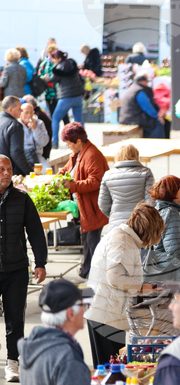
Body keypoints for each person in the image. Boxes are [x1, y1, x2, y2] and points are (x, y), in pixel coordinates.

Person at [86, 202, 164, 364]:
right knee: (111, 371)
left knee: (110, 369)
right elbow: (114, 278)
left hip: (106, 312)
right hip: (105, 316)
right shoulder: (122, 241)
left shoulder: (124, 238)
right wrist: (143, 288)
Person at [0, 154, 46, 381]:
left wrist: (40, 263)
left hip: (16, 269)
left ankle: (13, 362)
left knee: (15, 318)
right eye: (1, 169)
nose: (6, 173)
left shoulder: (22, 199)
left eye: (9, 169)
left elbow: (36, 232)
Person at [58, 122, 107, 278]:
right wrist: (54, 181)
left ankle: (101, 274)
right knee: (87, 240)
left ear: (78, 141)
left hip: (93, 207)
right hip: (85, 206)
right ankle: (86, 272)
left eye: (69, 143)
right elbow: (65, 170)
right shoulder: (78, 153)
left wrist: (72, 186)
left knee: (92, 241)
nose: (68, 147)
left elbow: (95, 181)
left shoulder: (92, 155)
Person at [144, 175, 180, 286]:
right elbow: (173, 250)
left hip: (165, 273)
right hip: (175, 277)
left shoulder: (159, 211)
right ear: (172, 192)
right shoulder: (170, 213)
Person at [98, 143, 153, 231]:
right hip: (140, 222)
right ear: (136, 155)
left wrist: (114, 214)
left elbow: (103, 204)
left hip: (116, 224)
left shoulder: (108, 175)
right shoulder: (145, 173)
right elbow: (150, 201)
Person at [43, 51, 85, 149]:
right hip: (78, 95)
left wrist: (46, 78)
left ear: (58, 59)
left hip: (66, 97)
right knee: (79, 120)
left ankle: (55, 141)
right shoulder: (72, 64)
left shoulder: (59, 67)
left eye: (53, 58)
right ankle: (83, 140)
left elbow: (52, 79)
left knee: (55, 118)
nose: (52, 60)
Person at [118, 72, 165, 138]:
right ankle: (158, 144)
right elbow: (147, 108)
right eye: (146, 81)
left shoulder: (133, 88)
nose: (147, 84)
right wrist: (157, 116)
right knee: (158, 123)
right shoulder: (139, 91)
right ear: (141, 82)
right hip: (133, 119)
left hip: (128, 118)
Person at [0, 96, 31, 176]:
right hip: (9, 173)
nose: (21, 111)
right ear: (10, 109)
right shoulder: (15, 125)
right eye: (19, 108)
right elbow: (16, 153)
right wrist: (30, 172)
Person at [18, 102, 49, 171]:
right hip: (22, 156)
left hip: (36, 155)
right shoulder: (16, 124)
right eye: (26, 113)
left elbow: (44, 142)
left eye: (31, 113)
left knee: (47, 170)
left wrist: (35, 129)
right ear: (21, 113)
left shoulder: (39, 123)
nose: (29, 115)